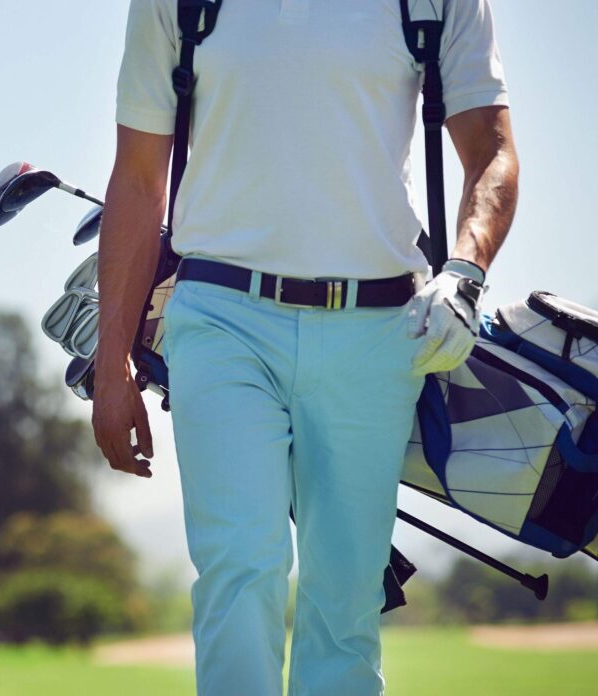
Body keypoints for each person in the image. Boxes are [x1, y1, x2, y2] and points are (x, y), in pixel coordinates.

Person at [92, 0, 518, 694]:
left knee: (344, 604)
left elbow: (493, 151)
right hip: (220, 319)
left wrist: (466, 272)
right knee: (241, 563)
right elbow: (138, 179)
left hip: (377, 330)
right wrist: (113, 363)